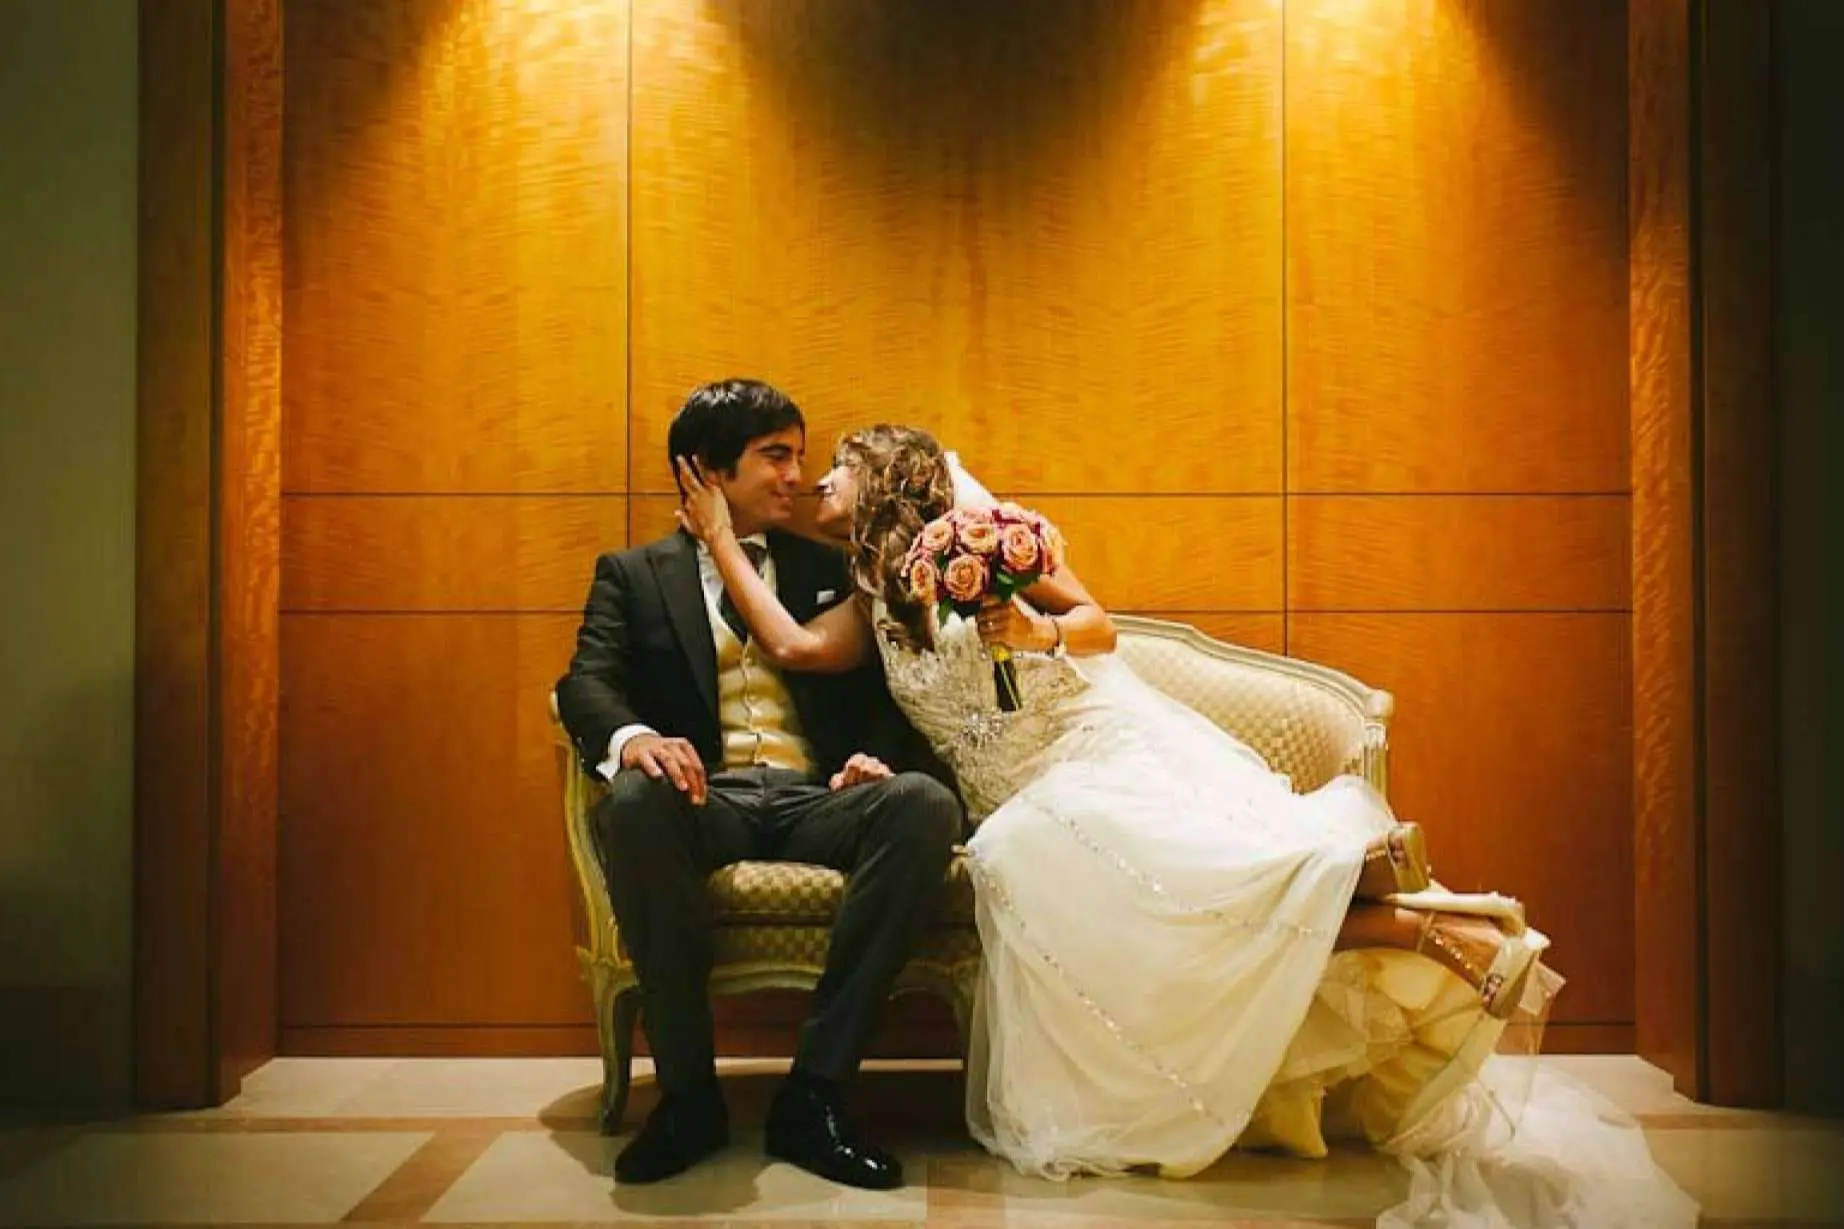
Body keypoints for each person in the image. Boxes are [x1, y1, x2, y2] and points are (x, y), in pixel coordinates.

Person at [675, 423, 1697, 1226]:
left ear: (887, 478)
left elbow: (1097, 626)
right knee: (1154, 896)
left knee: (1118, 876)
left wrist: (1031, 628)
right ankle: (1401, 907)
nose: (817, 484)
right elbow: (793, 646)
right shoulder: (874, 596)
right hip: (1012, 788)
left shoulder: (982, 547)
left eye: (837, 469)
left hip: (1081, 752)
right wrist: (719, 535)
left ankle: (1372, 887)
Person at [555, 386, 961, 1191]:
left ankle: (816, 1091)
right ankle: (688, 1098)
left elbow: (891, 690)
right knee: (633, 802)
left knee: (922, 803)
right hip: (705, 799)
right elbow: (584, 685)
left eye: (800, 457)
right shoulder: (633, 575)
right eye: (776, 456)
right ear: (707, 470)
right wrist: (638, 741)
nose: (796, 477)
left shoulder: (828, 568)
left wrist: (873, 759)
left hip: (817, 795)